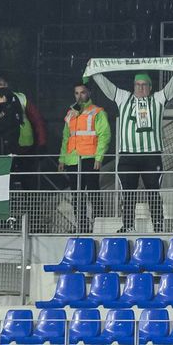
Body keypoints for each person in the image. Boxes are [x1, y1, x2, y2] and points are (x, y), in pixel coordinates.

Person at [93, 68, 173, 234]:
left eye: (144, 85)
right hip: (128, 155)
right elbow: (107, 86)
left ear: (150, 87)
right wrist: (94, 72)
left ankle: (158, 226)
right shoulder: (124, 97)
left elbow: (172, 86)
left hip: (151, 155)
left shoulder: (157, 99)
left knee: (153, 192)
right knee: (128, 193)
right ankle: (128, 225)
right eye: (137, 84)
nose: (141, 88)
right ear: (133, 86)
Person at [58, 82, 111, 233]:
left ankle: (99, 226)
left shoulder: (97, 112)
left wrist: (99, 157)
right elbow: (66, 137)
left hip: (89, 158)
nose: (79, 96)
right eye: (76, 93)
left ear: (89, 93)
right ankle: (81, 227)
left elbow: (104, 135)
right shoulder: (70, 113)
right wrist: (62, 159)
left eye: (82, 92)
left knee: (93, 192)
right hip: (73, 159)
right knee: (76, 195)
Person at [0, 76, 47, 180]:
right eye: (0, 84)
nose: (2, 86)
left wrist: (42, 143)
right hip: (1, 148)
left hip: (24, 145)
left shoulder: (21, 97)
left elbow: (38, 120)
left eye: (4, 83)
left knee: (26, 179)